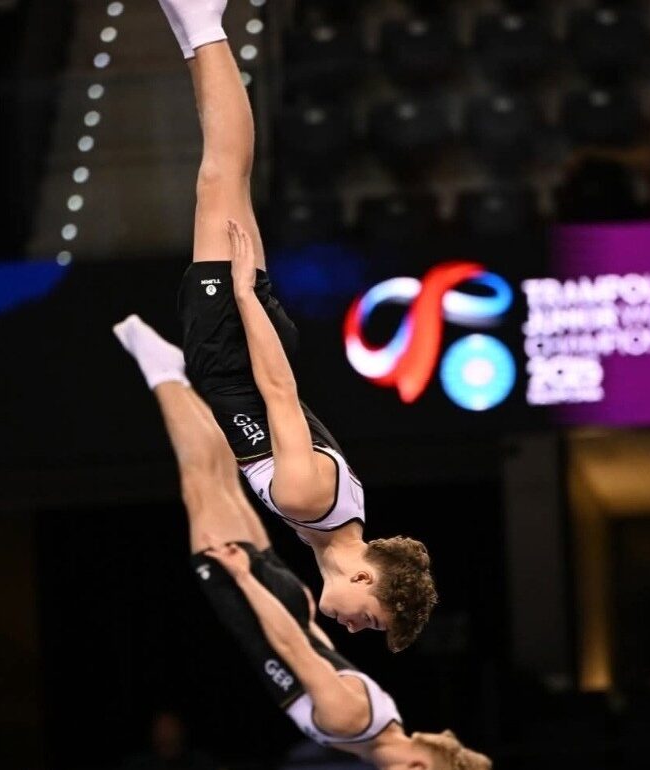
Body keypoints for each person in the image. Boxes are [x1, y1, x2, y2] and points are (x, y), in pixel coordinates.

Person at [114, 0, 437, 652]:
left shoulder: (333, 519)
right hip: (235, 343)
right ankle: (205, 25)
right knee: (221, 173)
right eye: (369, 618)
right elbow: (281, 391)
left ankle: (195, 28)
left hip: (234, 344)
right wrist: (244, 298)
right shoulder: (307, 497)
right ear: (364, 575)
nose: (351, 625)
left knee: (224, 174)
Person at [122, 370, 490, 770]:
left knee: (216, 480)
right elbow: (290, 648)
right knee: (201, 481)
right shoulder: (350, 723)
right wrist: (244, 578)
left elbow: (322, 652)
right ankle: (164, 373)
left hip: (282, 603)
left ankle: (171, 375)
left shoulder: (382, 723)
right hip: (258, 604)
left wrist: (296, 605)